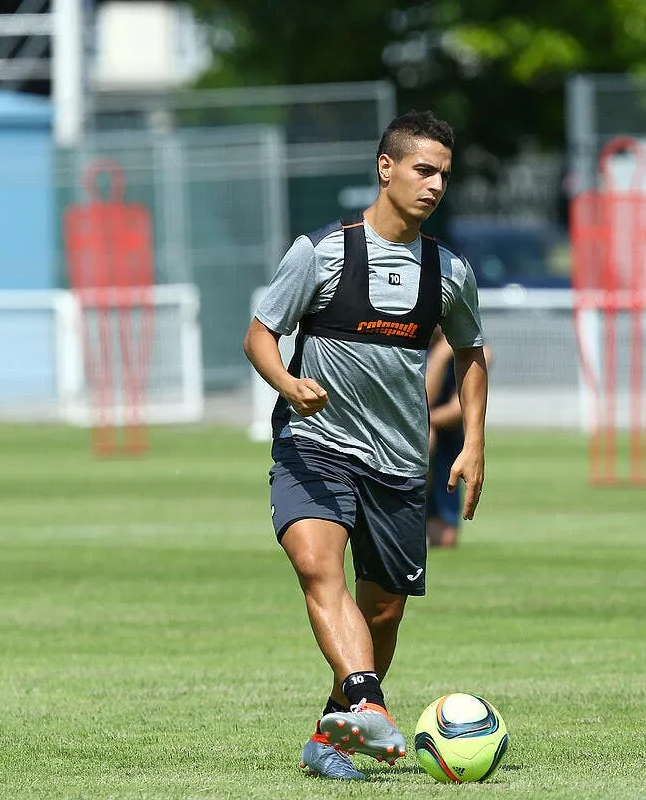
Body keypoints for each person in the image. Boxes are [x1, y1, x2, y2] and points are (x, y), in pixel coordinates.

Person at [243, 110, 488, 779]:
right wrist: (288, 384)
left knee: (382, 611)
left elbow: (471, 354)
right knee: (316, 567)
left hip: (400, 462)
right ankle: (368, 702)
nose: (435, 185)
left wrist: (473, 444)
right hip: (313, 445)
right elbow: (260, 335)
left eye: (443, 174)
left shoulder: (448, 270)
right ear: (386, 168)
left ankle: (331, 735)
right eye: (423, 170)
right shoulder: (322, 252)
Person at [424, 328, 464, 547]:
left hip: (447, 440)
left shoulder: (466, 348)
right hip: (414, 431)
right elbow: (424, 399)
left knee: (445, 539)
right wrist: (439, 358)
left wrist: (425, 422)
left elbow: (458, 410)